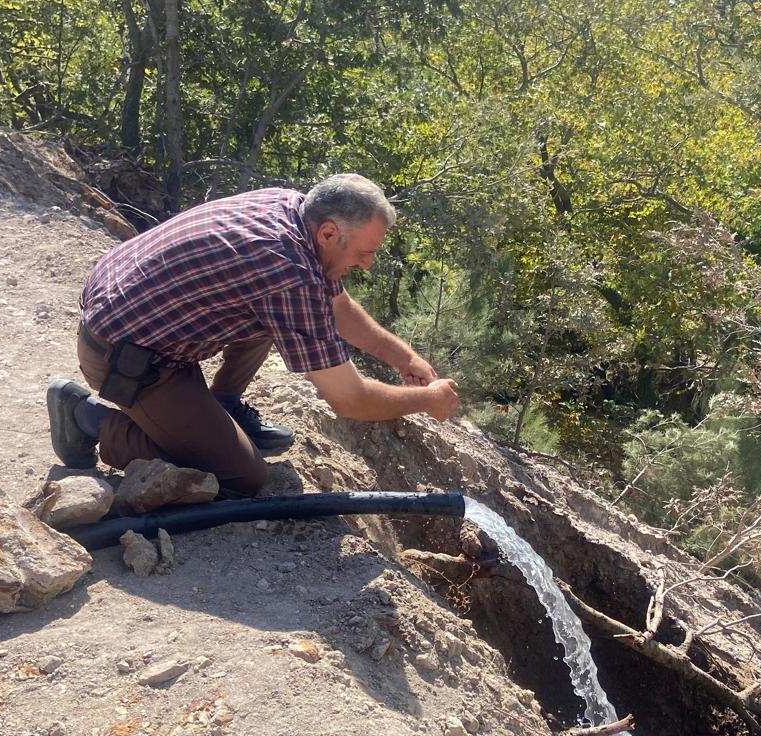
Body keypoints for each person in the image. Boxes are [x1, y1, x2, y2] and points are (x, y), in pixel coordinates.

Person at [47, 173, 458, 496]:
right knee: (240, 476)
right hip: (125, 357)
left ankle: (221, 406)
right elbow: (350, 399)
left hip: (131, 314)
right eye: (364, 253)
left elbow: (336, 307)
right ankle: (87, 419)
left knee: (269, 308)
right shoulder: (288, 271)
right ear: (329, 233)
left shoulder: (293, 208)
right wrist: (427, 400)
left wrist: (404, 358)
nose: (367, 265)